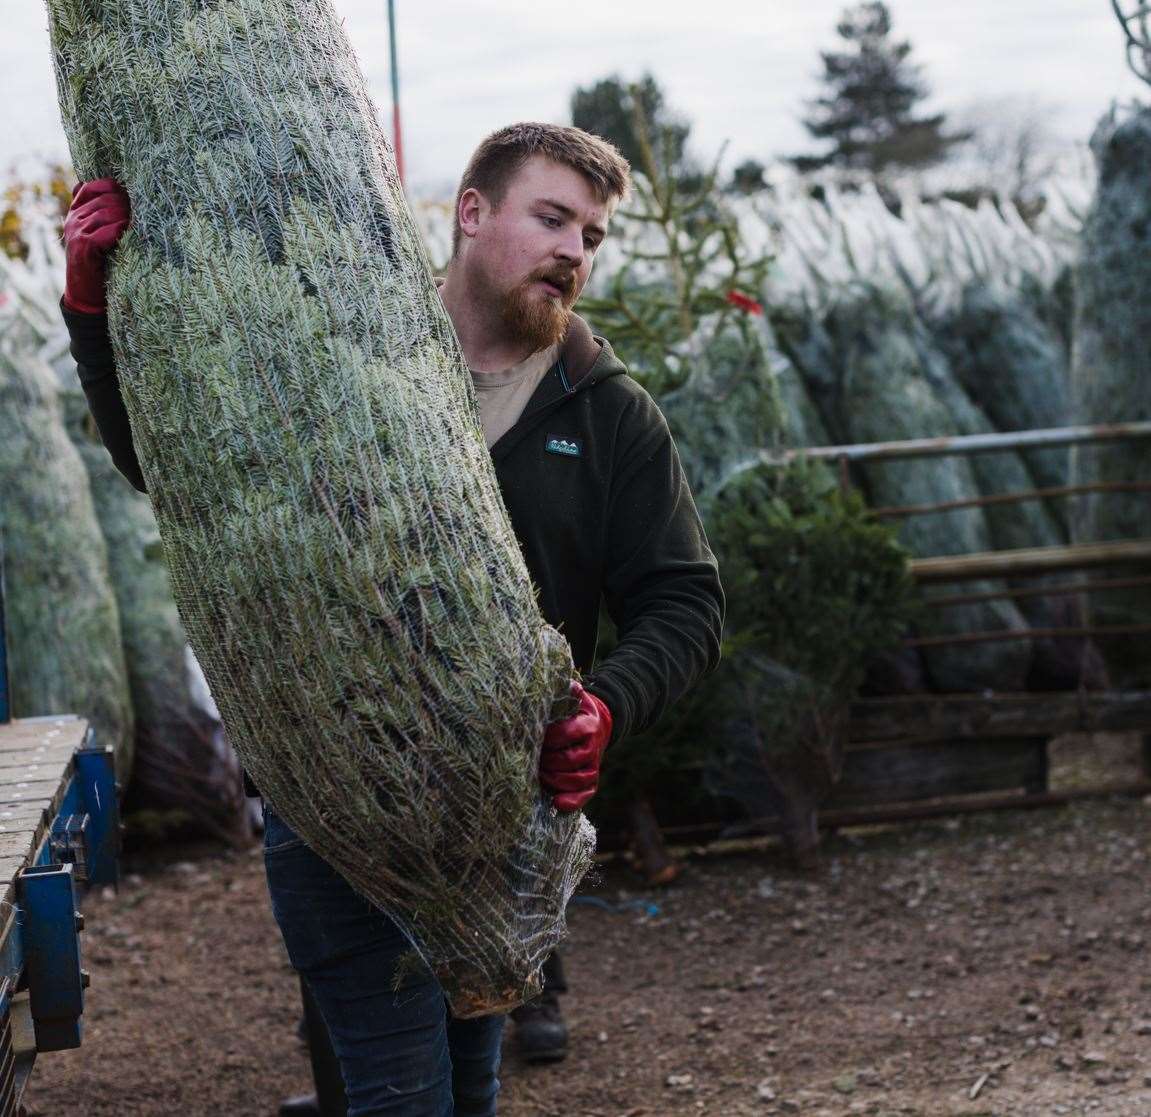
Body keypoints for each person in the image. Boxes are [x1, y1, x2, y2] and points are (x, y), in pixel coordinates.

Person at [61, 122, 724, 1117]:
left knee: (463, 1085)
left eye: (590, 236)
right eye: (550, 218)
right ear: (469, 213)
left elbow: (685, 601)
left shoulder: (605, 411)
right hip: (329, 797)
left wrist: (604, 706)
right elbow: (172, 464)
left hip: (502, 814)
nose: (572, 252)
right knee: (389, 1088)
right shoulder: (345, 355)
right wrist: (91, 310)